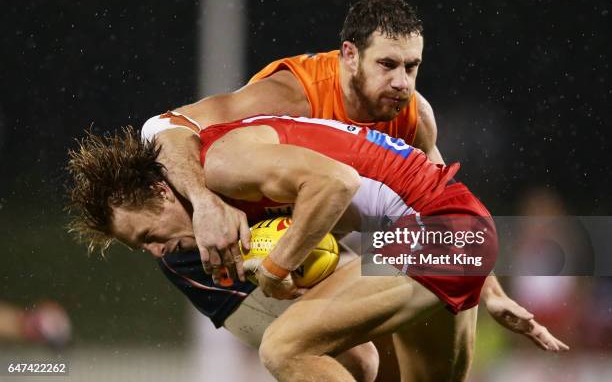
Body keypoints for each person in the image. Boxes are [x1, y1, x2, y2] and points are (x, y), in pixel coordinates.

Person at [146, 0, 558, 353]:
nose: (401, 83)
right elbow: (163, 127)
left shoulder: (414, 117)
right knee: (307, 352)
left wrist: (493, 294)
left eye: (412, 67)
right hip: (267, 233)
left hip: (353, 229)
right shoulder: (293, 94)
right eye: (387, 65)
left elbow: (444, 203)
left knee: (428, 337)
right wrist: (204, 204)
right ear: (349, 55)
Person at [65, 116, 568, 381]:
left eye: (148, 236)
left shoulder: (218, 163)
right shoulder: (239, 167)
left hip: (441, 236)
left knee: (284, 347)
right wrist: (490, 283)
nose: (158, 252)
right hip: (455, 235)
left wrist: (278, 267)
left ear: (160, 189)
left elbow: (337, 183)